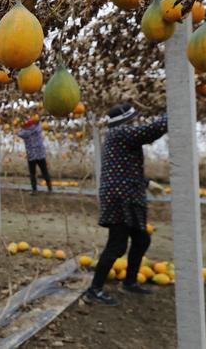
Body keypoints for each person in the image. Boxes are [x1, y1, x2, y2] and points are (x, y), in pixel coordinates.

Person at [85, 103, 167, 306]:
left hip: (127, 194)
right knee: (117, 245)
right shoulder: (121, 133)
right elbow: (151, 131)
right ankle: (94, 290)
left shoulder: (118, 136)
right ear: (125, 121)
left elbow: (122, 168)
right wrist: (173, 111)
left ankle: (130, 281)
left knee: (141, 240)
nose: (134, 123)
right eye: (132, 120)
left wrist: (146, 183)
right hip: (120, 197)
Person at [17, 119, 52, 195]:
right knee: (44, 171)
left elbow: (19, 133)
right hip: (40, 154)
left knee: (32, 173)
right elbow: (38, 122)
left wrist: (22, 127)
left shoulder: (25, 133)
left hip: (31, 155)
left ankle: (34, 190)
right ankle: (50, 189)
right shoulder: (38, 129)